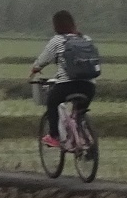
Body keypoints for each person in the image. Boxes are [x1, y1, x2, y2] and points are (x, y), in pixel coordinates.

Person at [31, 9, 100, 148]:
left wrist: (34, 69)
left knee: (52, 102)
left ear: (56, 25)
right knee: (79, 112)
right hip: (89, 86)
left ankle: (54, 136)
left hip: (67, 86)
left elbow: (42, 60)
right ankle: (84, 137)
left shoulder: (57, 40)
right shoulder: (86, 39)